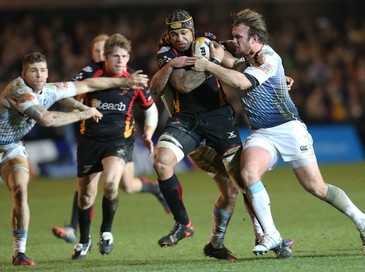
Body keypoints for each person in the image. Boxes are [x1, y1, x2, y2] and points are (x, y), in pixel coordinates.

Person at [193, 8, 365, 256]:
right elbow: (232, 62)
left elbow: (240, 81)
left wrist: (207, 64)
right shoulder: (248, 58)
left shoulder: (269, 58)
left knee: (316, 187)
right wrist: (217, 50)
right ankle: (271, 234)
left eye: (238, 37)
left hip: (289, 129)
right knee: (247, 174)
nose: (234, 41)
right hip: (262, 133)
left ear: (255, 39)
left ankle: (363, 220)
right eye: (233, 36)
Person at [150, 9, 294, 260]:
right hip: (187, 122)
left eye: (184, 32)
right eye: (174, 34)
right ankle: (183, 223)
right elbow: (183, 84)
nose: (179, 38)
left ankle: (260, 237)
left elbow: (236, 61)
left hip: (220, 121)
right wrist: (210, 65)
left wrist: (273, 75)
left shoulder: (206, 40)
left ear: (192, 30)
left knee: (238, 186)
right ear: (168, 35)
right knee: (161, 162)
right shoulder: (166, 53)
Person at [0, 52, 148, 266]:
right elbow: (46, 118)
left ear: (47, 72)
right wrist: (83, 114)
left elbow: (87, 85)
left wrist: (125, 81)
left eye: (42, 70)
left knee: (21, 190)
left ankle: (19, 253)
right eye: (33, 71)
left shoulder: (49, 88)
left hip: (11, 147)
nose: (39, 75)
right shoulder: (19, 90)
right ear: (24, 74)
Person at [52, 34, 170, 244]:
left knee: (121, 184)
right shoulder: (91, 74)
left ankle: (101, 231)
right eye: (99, 53)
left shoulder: (134, 79)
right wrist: (81, 106)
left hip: (120, 139)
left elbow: (151, 109)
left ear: (127, 56)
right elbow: (67, 94)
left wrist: (148, 132)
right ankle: (80, 234)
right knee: (88, 190)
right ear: (102, 56)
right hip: (91, 139)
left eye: (123, 56)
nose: (118, 60)